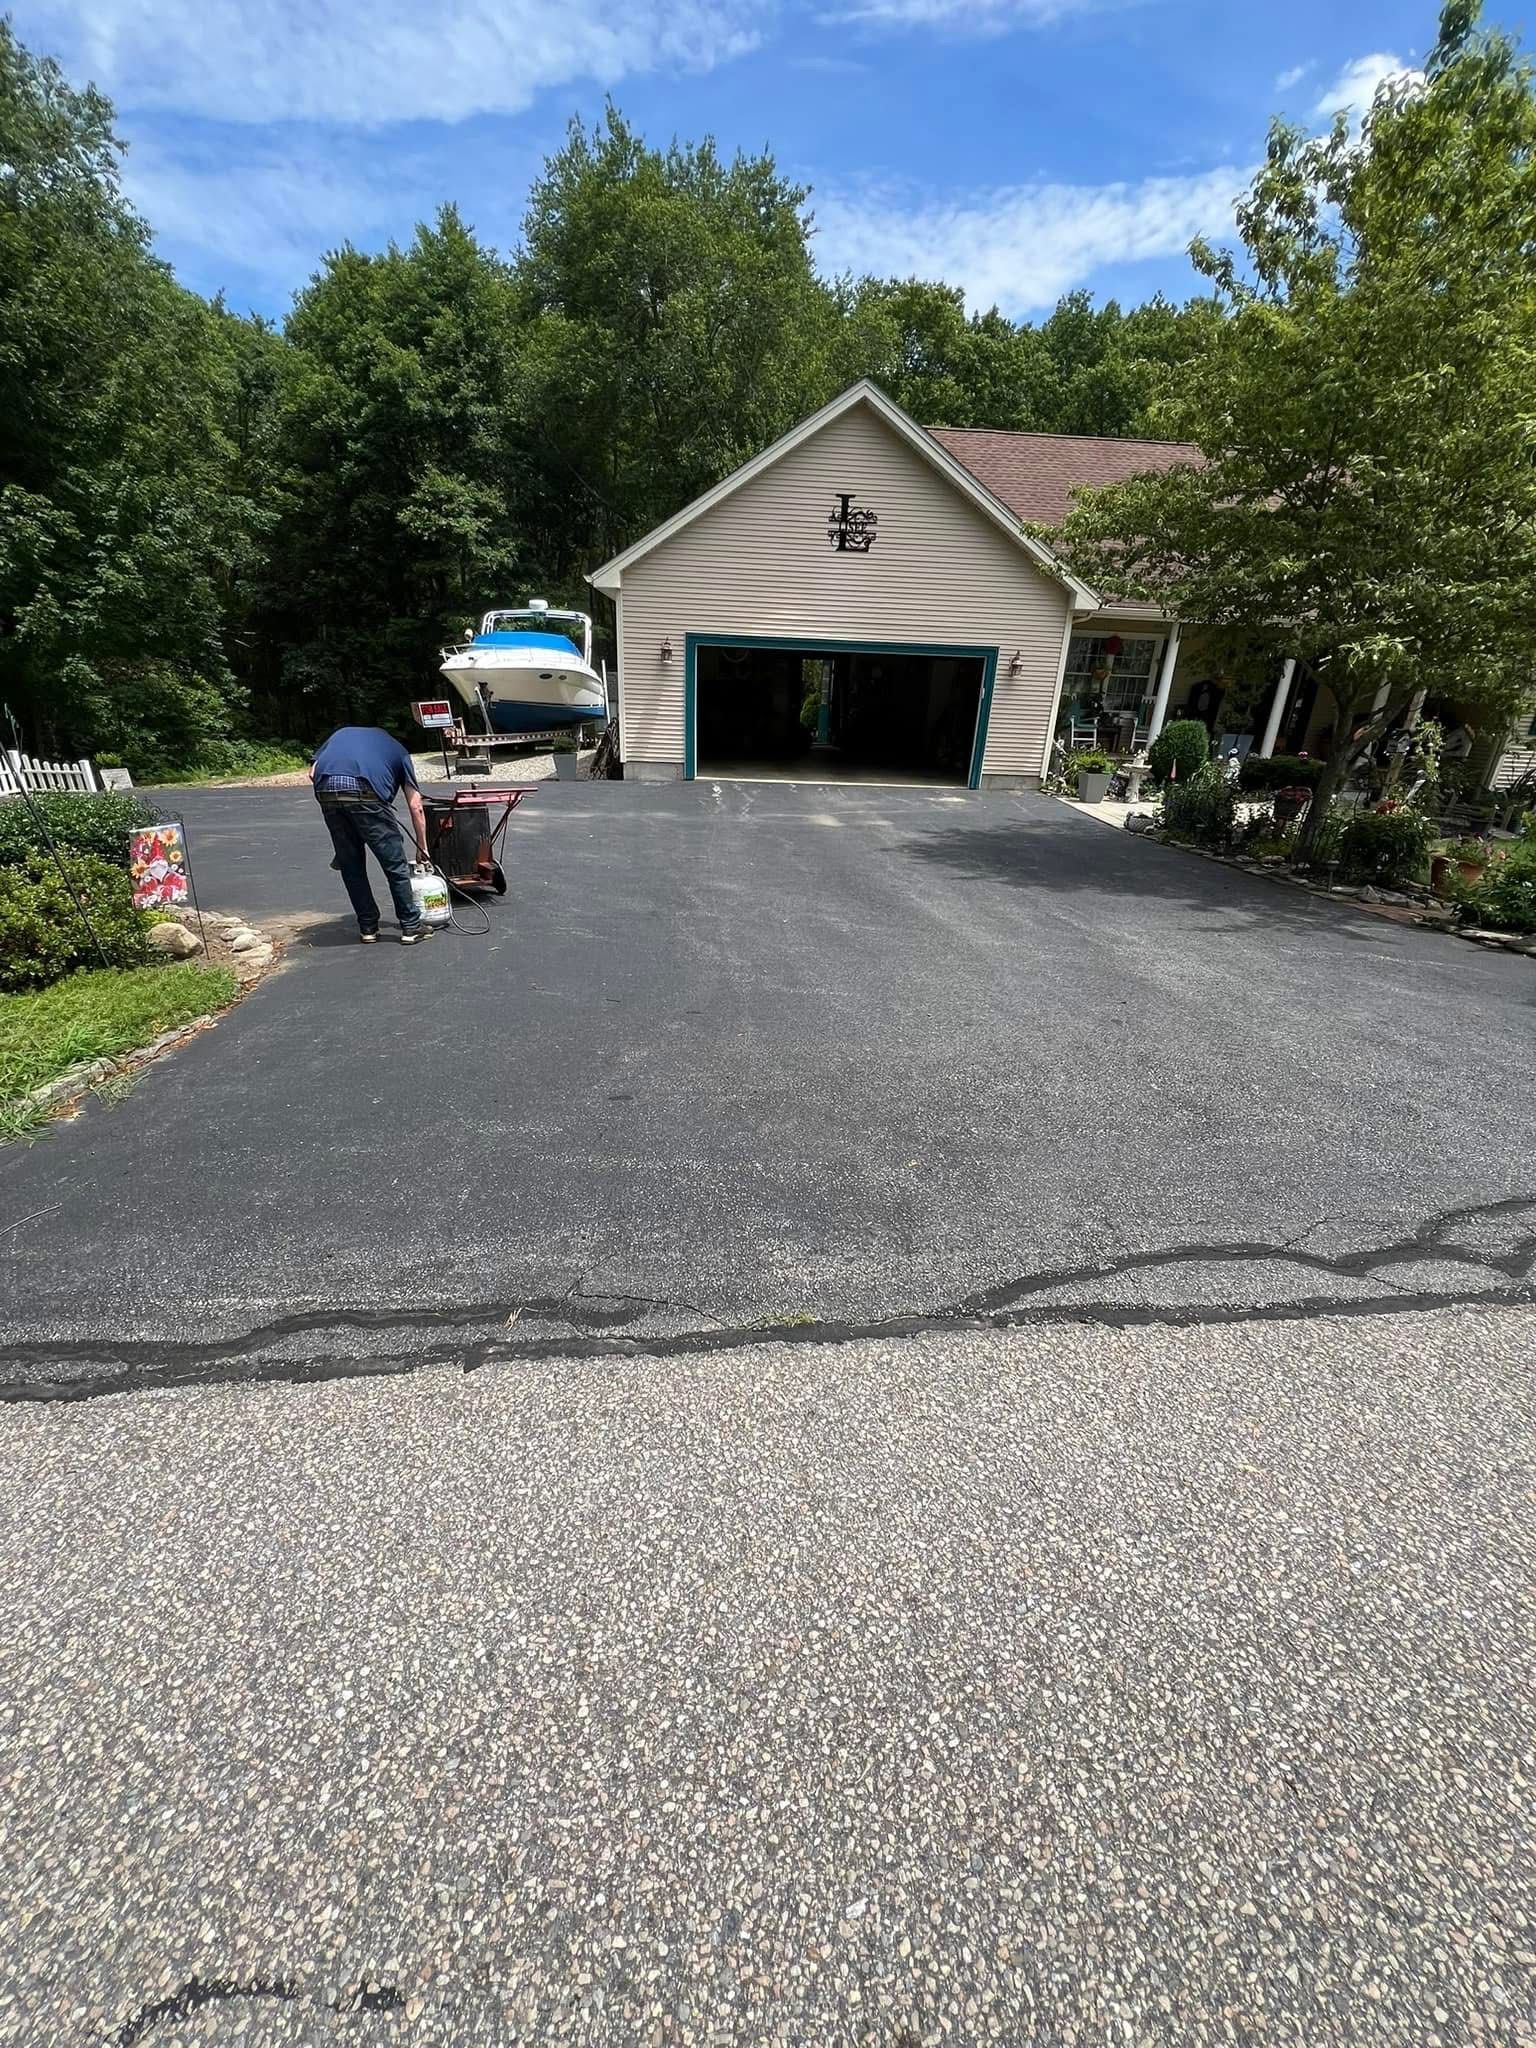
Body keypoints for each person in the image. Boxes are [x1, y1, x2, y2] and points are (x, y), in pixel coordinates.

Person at [310, 726, 434, 944]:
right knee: (394, 865)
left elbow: (312, 772)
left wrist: (339, 801)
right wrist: (422, 847)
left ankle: (368, 927)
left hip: (327, 793)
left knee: (351, 866)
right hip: (367, 796)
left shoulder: (340, 734)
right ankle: (411, 926)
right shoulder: (399, 751)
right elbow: (416, 806)